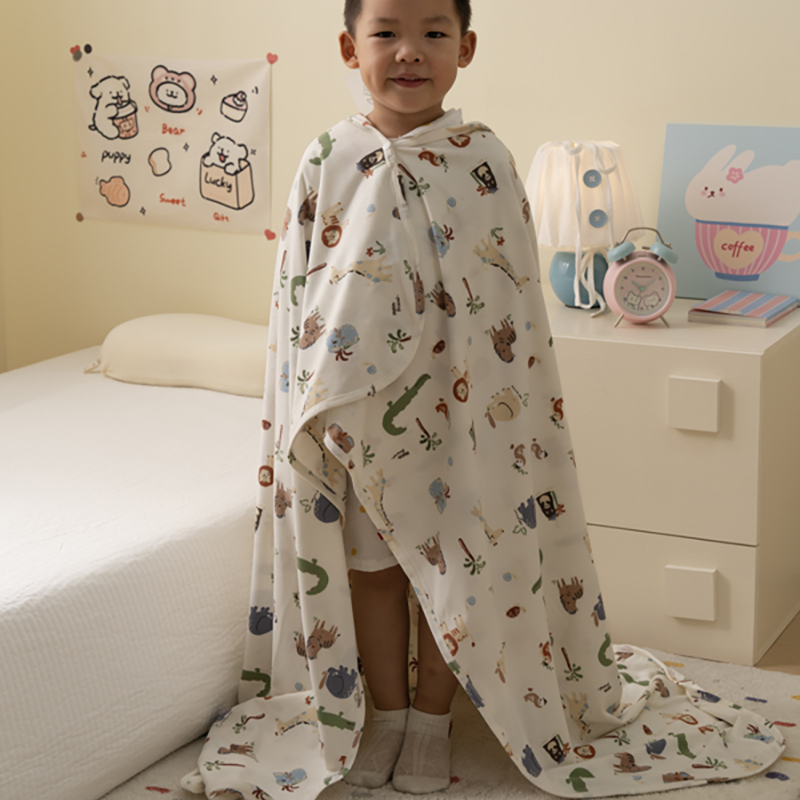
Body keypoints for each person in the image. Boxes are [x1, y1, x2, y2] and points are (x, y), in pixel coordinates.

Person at [182, 0, 785, 797]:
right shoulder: (328, 157)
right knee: (373, 573)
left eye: (433, 33)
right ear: (349, 48)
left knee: (458, 576)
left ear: (464, 47)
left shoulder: (484, 162)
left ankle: (433, 719)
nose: (409, 51)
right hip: (356, 419)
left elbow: (510, 304)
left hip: (463, 422)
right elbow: (300, 291)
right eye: (386, 33)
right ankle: (387, 716)